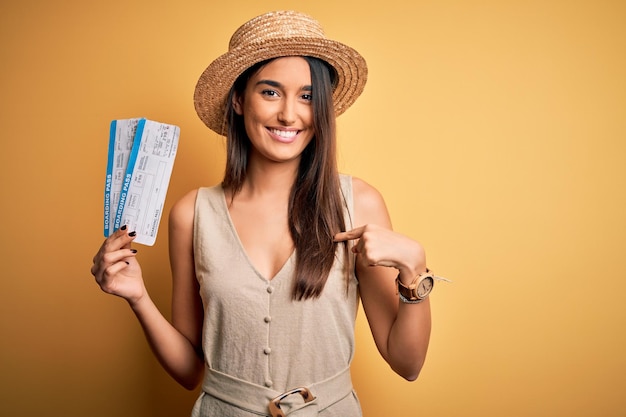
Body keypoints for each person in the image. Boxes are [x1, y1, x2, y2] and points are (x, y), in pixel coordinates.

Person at [91, 10, 440, 417]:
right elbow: (189, 371)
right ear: (239, 100)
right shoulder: (192, 214)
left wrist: (414, 272)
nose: (289, 115)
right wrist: (137, 298)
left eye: (307, 96)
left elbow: (407, 363)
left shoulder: (358, 204)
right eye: (270, 92)